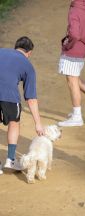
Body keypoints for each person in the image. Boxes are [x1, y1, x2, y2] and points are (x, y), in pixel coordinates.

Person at [0, 36, 44, 174]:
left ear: (15, 47)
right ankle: (10, 160)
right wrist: (38, 123)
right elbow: (31, 98)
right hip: (10, 98)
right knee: (14, 122)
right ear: (29, 52)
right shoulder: (27, 65)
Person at [58, 0, 85, 127]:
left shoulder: (74, 10)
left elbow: (74, 34)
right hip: (83, 49)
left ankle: (77, 116)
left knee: (72, 81)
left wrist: (67, 44)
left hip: (73, 50)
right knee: (75, 77)